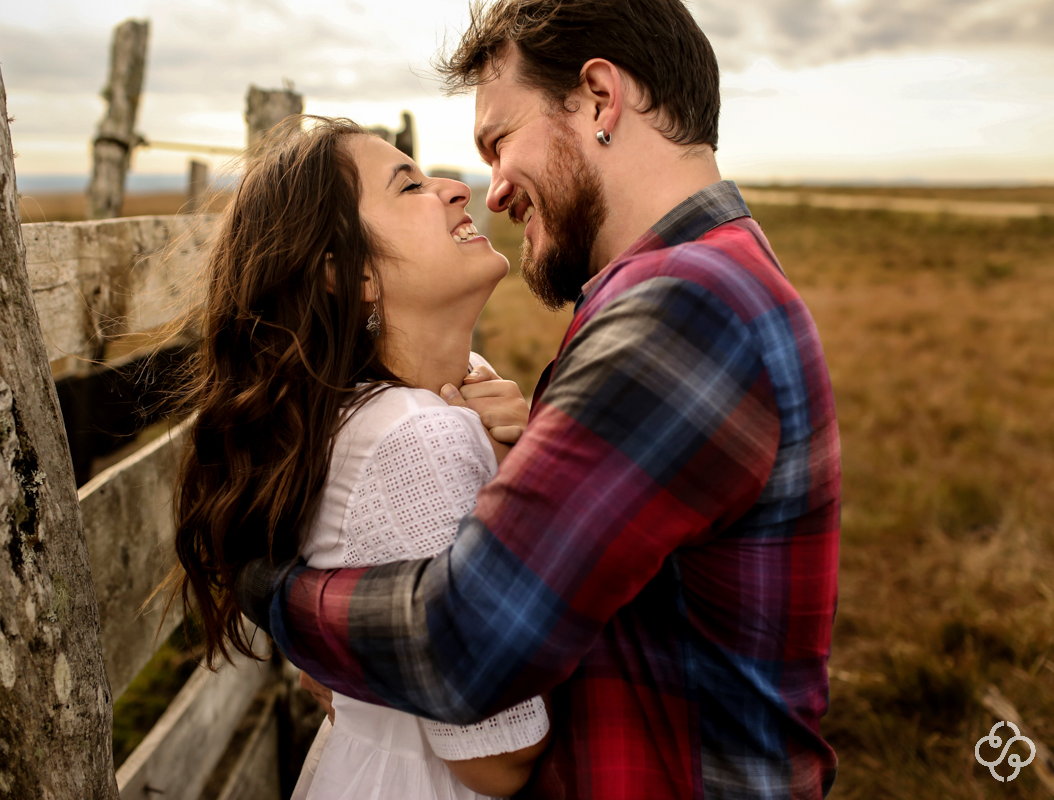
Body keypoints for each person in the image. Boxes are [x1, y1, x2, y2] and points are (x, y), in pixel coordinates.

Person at [236, 1, 842, 798]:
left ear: (598, 100)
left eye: (500, 142)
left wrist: (274, 593)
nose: (492, 192)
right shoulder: (693, 286)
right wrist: (522, 464)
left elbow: (467, 644)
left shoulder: (684, 309)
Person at [169, 116, 553, 800]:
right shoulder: (417, 437)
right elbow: (496, 756)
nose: (456, 189)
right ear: (350, 275)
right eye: (409, 185)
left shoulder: (385, 409)